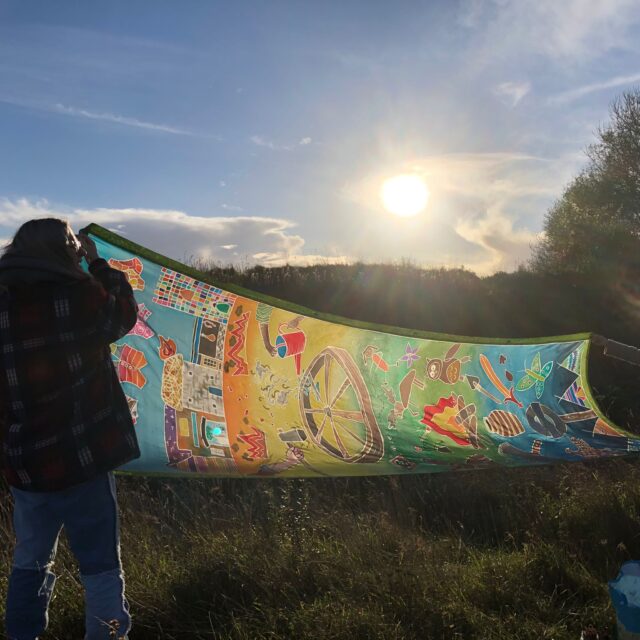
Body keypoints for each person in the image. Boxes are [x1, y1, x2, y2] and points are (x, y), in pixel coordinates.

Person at [0, 218, 140, 640]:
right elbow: (123, 315)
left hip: (23, 465)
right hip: (84, 457)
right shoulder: (79, 296)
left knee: (29, 561)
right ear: (68, 251)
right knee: (100, 567)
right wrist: (98, 264)